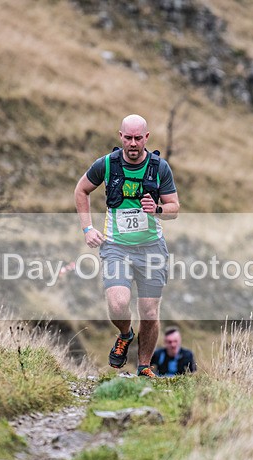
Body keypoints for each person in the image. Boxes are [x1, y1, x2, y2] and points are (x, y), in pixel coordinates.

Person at [74, 114, 180, 378]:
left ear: (146, 137)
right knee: (119, 303)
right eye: (128, 137)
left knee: (149, 311)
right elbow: (81, 190)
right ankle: (125, 334)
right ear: (120, 136)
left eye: (138, 138)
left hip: (152, 248)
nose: (133, 143)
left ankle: (144, 366)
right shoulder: (107, 164)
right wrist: (87, 228)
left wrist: (156, 208)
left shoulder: (159, 168)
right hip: (116, 248)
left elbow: (174, 208)